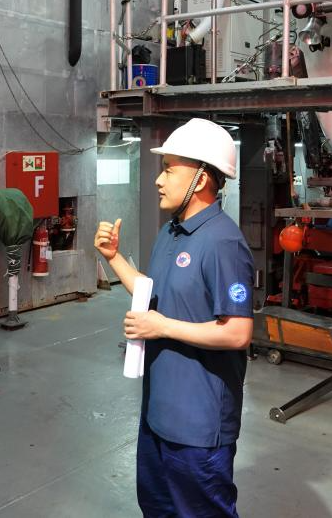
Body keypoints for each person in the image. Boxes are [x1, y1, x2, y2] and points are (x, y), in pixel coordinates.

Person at [94, 118, 254, 518]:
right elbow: (153, 292)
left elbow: (237, 332)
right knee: (157, 507)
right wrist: (114, 258)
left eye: (168, 170)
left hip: (198, 424)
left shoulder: (223, 242)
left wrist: (161, 326)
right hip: (158, 413)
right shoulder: (172, 232)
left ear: (201, 179)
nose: (158, 180)